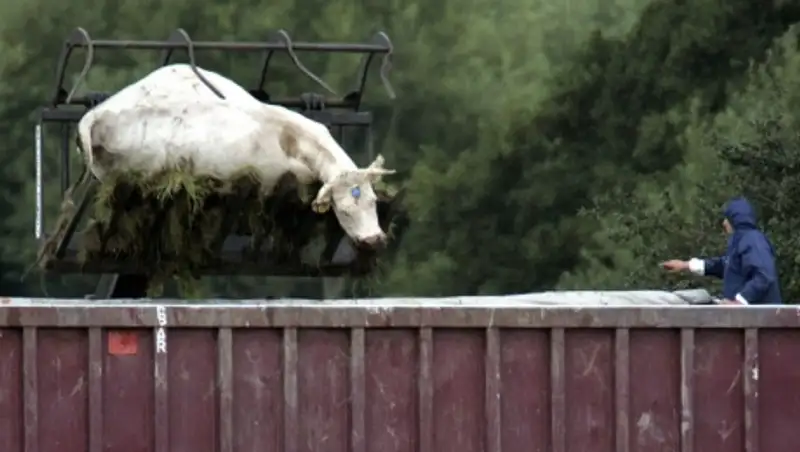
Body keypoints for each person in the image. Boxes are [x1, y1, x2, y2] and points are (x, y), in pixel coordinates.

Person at [661, 197, 782, 305]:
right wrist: (685, 265)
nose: (724, 223)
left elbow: (764, 276)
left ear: (736, 219)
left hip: (761, 322)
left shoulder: (753, 240)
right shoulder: (741, 241)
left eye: (727, 219)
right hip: (745, 321)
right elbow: (725, 265)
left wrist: (739, 301)